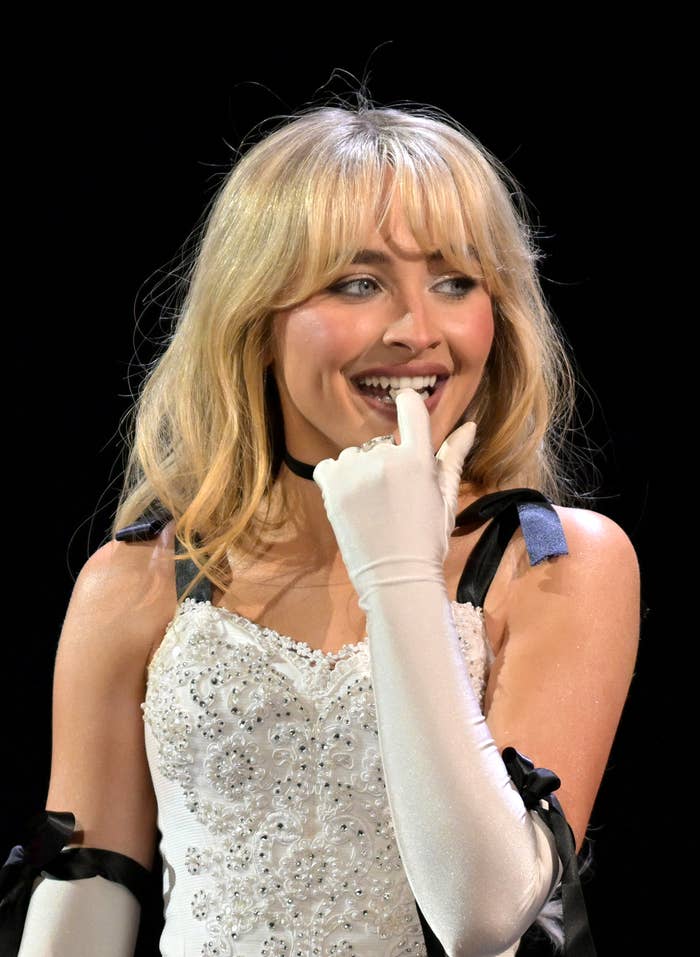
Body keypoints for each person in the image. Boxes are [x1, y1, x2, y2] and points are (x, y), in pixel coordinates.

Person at [1, 98, 641, 956]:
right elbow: (79, 916)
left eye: (455, 281)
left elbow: (486, 914)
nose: (419, 331)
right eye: (358, 283)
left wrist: (399, 570)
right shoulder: (135, 580)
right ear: (255, 317)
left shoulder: (558, 562)